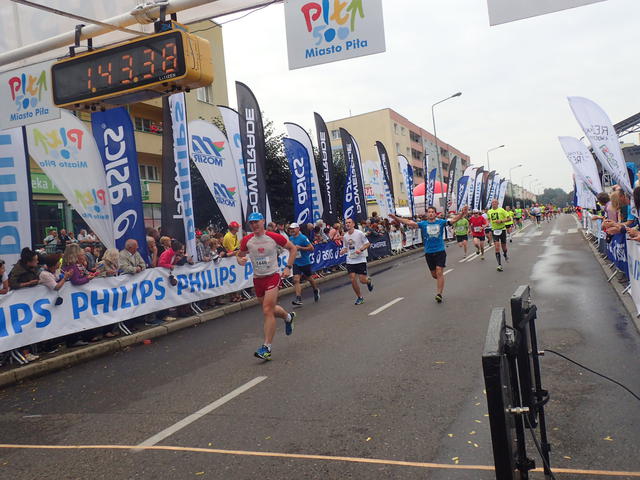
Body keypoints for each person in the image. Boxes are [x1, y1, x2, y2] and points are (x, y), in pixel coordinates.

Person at [236, 212, 298, 361]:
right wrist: (240, 260)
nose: (254, 225)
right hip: (258, 279)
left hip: (272, 276)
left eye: (256, 222)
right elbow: (239, 254)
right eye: (251, 223)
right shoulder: (247, 240)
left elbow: (293, 249)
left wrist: (288, 267)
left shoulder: (273, 236)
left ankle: (266, 348)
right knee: (270, 309)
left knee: (267, 310)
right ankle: (288, 317)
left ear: (263, 221)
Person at [391, 206, 468, 303]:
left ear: (435, 213)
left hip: (440, 251)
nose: (431, 213)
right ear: (427, 214)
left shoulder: (441, 222)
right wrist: (396, 218)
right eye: (429, 212)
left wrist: (462, 214)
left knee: (439, 271)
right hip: (429, 252)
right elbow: (409, 222)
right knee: (435, 275)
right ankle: (440, 280)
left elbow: (453, 220)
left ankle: (439, 294)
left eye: (432, 212)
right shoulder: (423, 224)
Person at [340, 218, 374, 305]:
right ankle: (360, 297)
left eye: (349, 222)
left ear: (353, 224)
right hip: (350, 259)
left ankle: (368, 281)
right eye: (346, 223)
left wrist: (361, 249)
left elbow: (367, 243)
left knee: (362, 280)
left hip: (360, 259)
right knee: (352, 279)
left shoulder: (359, 233)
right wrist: (343, 251)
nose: (347, 224)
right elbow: (345, 247)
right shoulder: (345, 236)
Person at [288, 222, 320, 306]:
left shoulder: (303, 238)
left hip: (305, 262)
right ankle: (298, 298)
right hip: (296, 262)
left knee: (309, 278)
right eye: (291, 229)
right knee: (296, 279)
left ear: (298, 229)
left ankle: (315, 289)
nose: (292, 230)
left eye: (293, 229)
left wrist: (300, 248)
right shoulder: (290, 238)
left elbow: (311, 248)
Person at [487, 199, 510, 272]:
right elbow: (488, 220)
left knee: (504, 248)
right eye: (492, 202)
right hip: (494, 230)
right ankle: (499, 265)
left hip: (502, 229)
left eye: (495, 202)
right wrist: (485, 225)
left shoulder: (502, 210)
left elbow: (509, 218)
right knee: (497, 247)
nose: (494, 203)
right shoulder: (489, 211)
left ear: (498, 203)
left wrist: (501, 221)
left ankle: (505, 254)